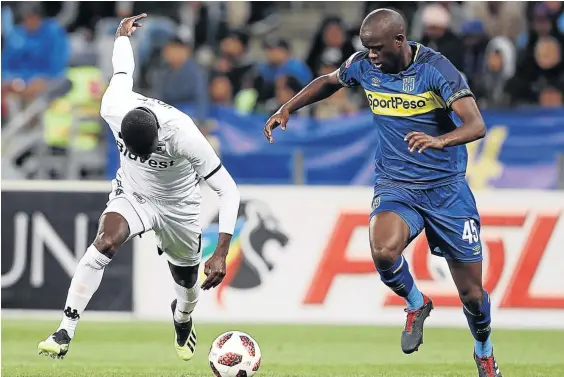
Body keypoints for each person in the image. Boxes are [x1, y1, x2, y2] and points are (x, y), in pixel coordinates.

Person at [264, 9, 501, 377]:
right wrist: (287, 107)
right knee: (383, 250)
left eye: (377, 48)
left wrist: (439, 140)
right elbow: (329, 80)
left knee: (472, 295)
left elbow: (476, 125)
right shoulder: (363, 65)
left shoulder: (436, 69)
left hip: (446, 189)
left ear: (399, 41)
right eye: (366, 48)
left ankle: (484, 351)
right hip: (397, 184)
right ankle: (416, 303)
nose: (371, 54)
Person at [38, 14, 240, 362]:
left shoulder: (185, 134)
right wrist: (121, 36)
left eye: (147, 151)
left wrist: (221, 251)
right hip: (134, 193)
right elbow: (121, 73)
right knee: (104, 242)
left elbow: (228, 190)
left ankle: (182, 318)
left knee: (188, 287)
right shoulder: (114, 107)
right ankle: (64, 331)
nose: (143, 156)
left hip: (179, 206)